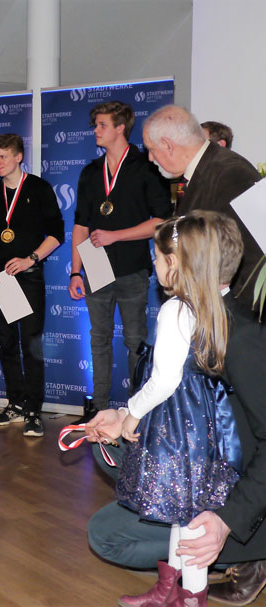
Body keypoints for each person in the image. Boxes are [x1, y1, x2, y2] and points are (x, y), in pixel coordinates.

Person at [86, 211, 266, 606]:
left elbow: (166, 382)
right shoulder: (199, 313)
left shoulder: (237, 333)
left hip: (227, 475)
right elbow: (176, 391)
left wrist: (228, 519)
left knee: (175, 518)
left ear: (179, 264)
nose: (153, 264)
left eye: (158, 257)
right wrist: (124, 415)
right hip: (198, 450)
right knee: (113, 456)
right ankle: (172, 586)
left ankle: (220, 571)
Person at [69, 101, 172, 422]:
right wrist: (75, 271)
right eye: (95, 125)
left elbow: (161, 221)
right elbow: (80, 226)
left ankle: (134, 413)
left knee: (134, 341)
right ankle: (98, 410)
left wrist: (116, 236)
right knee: (98, 340)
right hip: (95, 268)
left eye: (102, 125)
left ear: (120, 128)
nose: (95, 131)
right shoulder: (90, 172)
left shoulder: (147, 168)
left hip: (132, 268)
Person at [0, 133, 64, 437]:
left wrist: (30, 259)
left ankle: (34, 410)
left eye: (3, 156)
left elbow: (57, 233)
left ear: (18, 157)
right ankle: (15, 403)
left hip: (28, 276)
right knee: (7, 343)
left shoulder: (39, 189)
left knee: (31, 344)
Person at [144, 105, 262, 310]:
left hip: (232, 315)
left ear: (168, 145)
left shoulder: (231, 172)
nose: (150, 158)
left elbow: (253, 258)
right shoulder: (205, 169)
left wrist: (232, 318)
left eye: (151, 150)